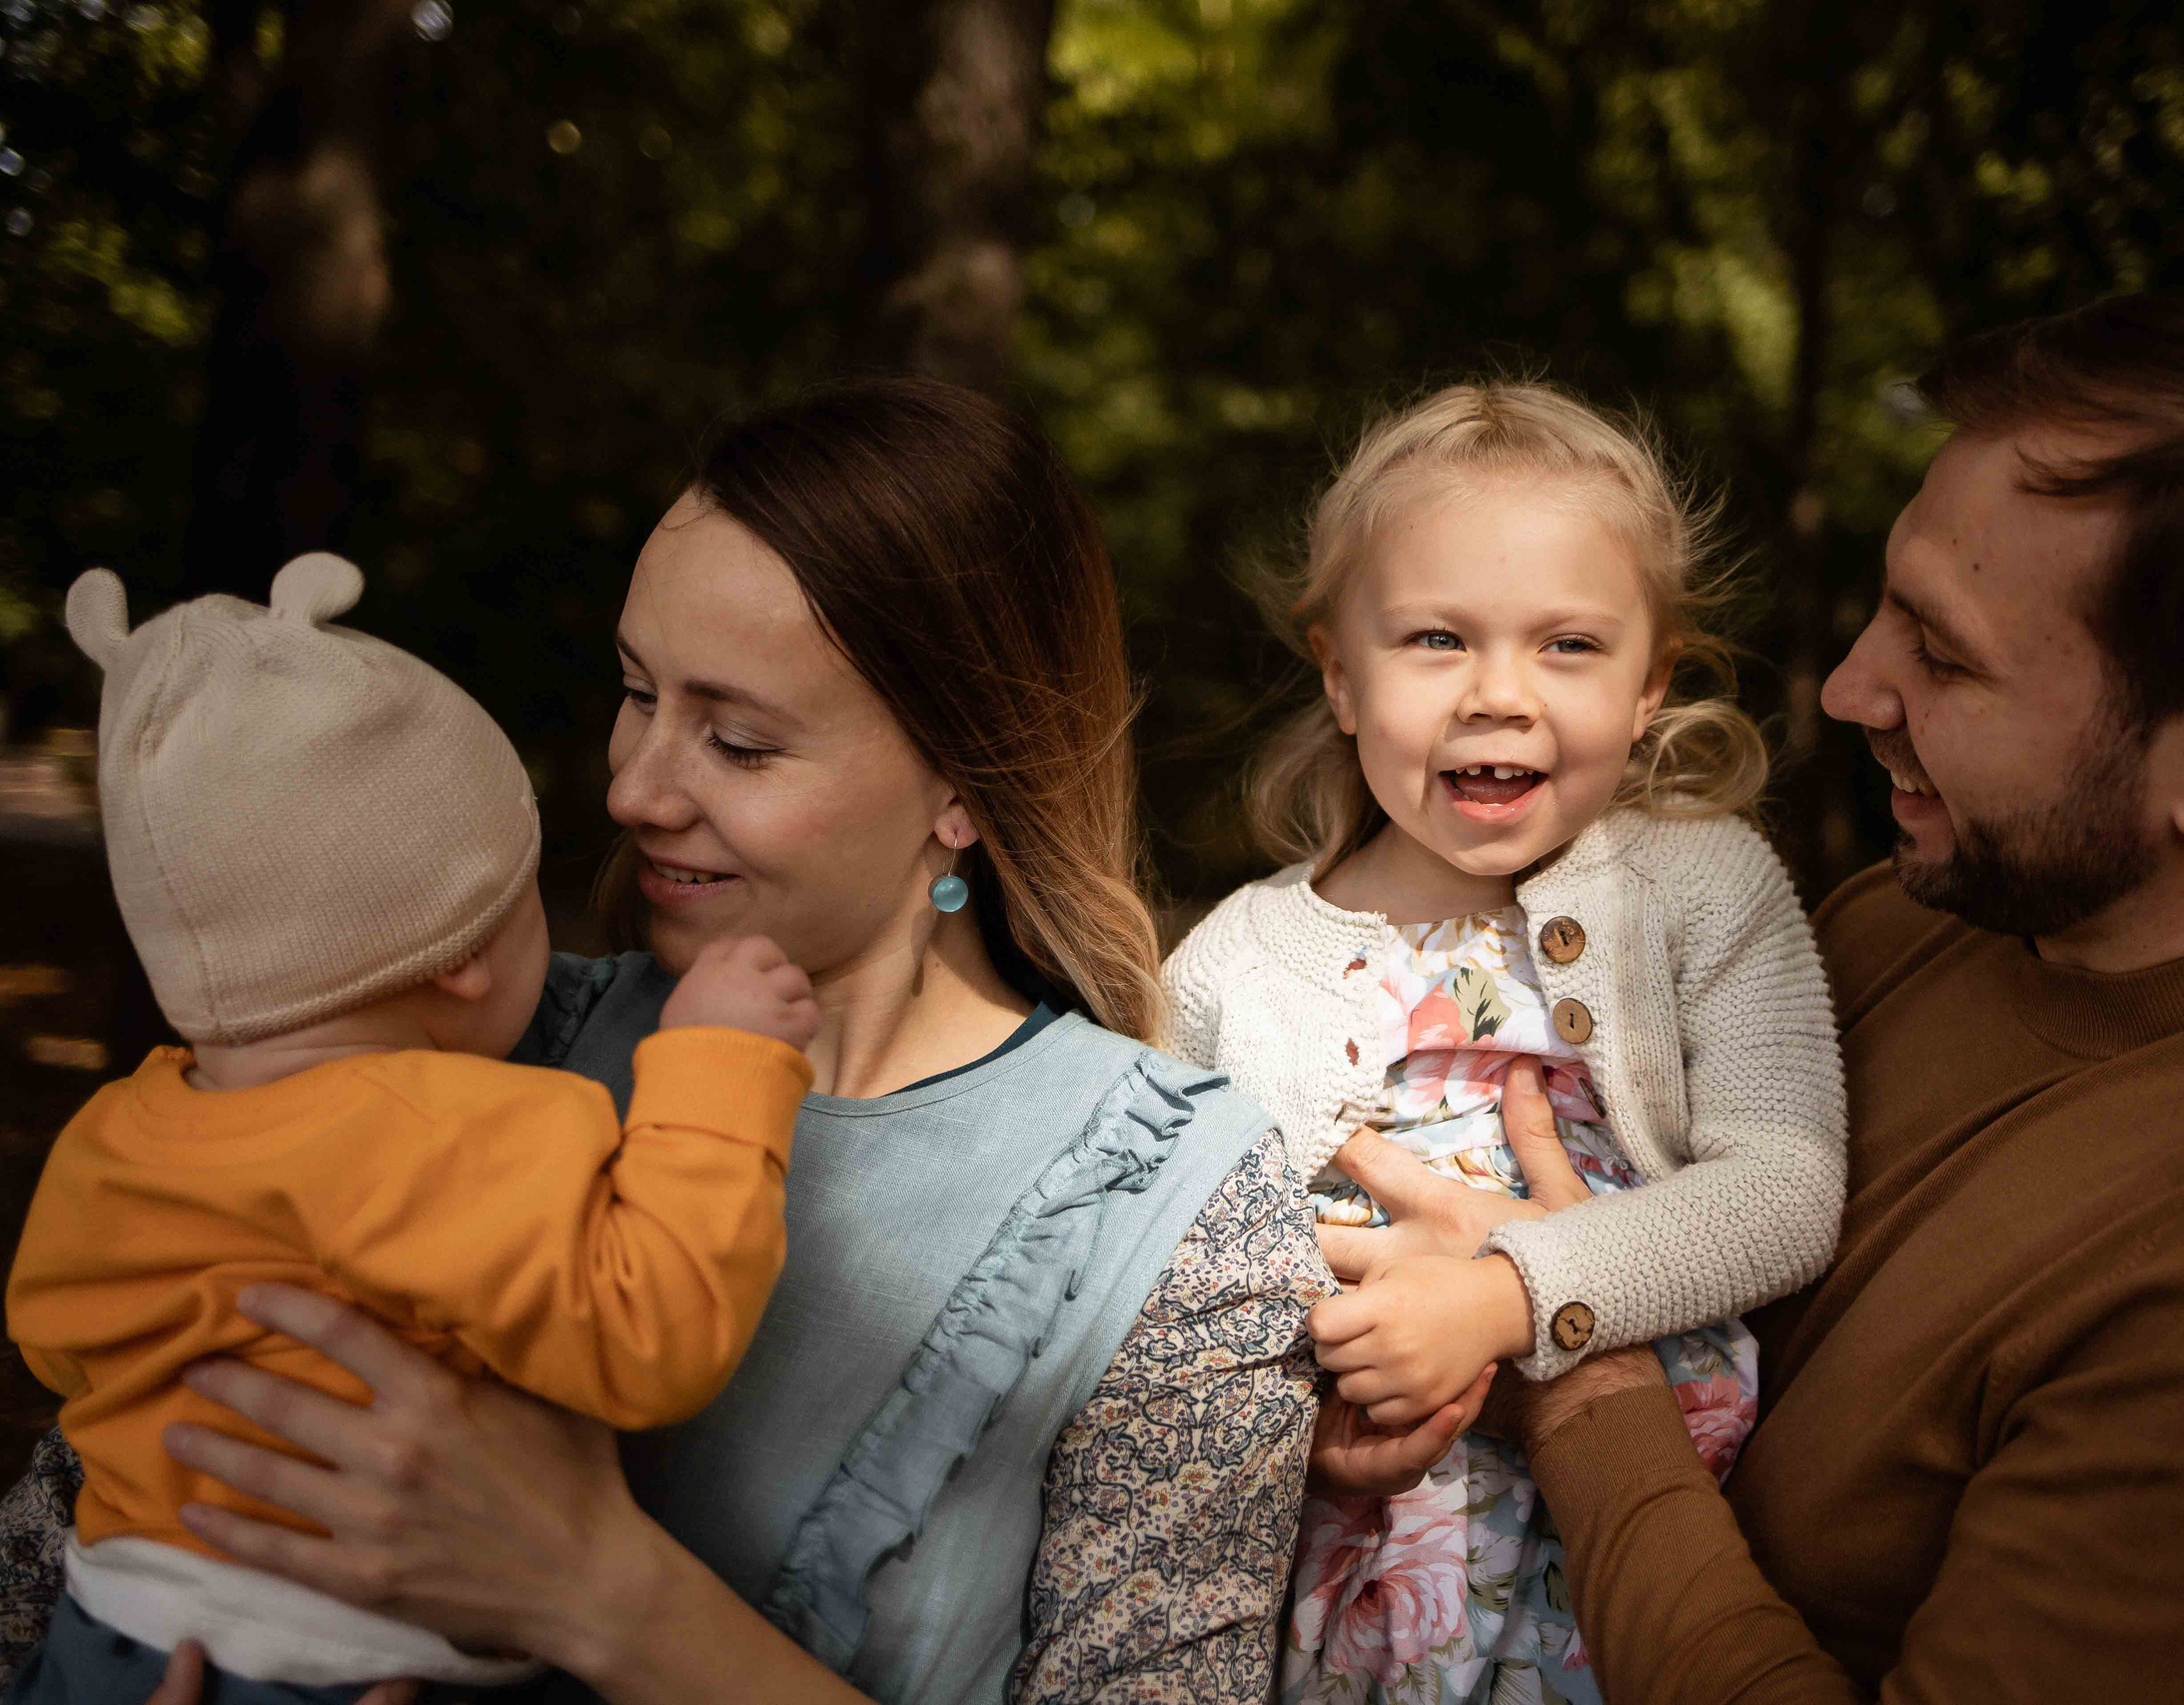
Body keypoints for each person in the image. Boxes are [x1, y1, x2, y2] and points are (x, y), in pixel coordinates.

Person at [0, 378, 1331, 1705]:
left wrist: (603, 1589)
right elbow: (74, 1528)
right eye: (637, 692)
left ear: (963, 788)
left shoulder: (1176, 1215)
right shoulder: (452, 1039)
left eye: (739, 741)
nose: (634, 789)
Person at [1405, 290, 2184, 1702]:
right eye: (1892, 608)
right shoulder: (1915, 919)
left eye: (1944, 655)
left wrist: (1579, 1379)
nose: (1847, 689)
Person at [8, 554, 819, 1703]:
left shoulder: (116, 1132)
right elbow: (652, 1331)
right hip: (312, 1664)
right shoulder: (449, 1129)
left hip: (101, 1641)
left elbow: (56, 1347)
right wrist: (724, 1063)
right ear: (461, 957)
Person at [1162, 381, 1845, 1701]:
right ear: (1338, 673)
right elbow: (1162, 1271)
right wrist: (1297, 1415)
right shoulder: (1233, 967)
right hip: (1351, 1587)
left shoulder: (1702, 887)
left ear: (1651, 686)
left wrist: (1502, 1295)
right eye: (1434, 638)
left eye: (1569, 646)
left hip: (1639, 1549)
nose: (1499, 695)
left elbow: (1787, 1185)